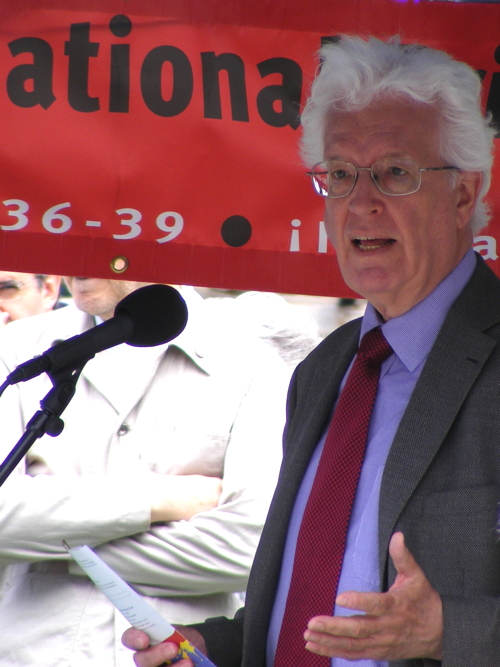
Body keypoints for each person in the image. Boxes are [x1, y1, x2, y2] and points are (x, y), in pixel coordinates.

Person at [123, 35, 500, 667]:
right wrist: (213, 648)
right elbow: (305, 605)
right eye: (341, 175)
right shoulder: (322, 371)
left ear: (464, 193)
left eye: (396, 173)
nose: (362, 202)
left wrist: (448, 631)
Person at [0, 276, 304, 666]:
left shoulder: (253, 361)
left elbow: (252, 549)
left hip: (173, 655)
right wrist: (155, 501)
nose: (77, 263)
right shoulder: (16, 350)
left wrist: (42, 544)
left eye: (106, 231)